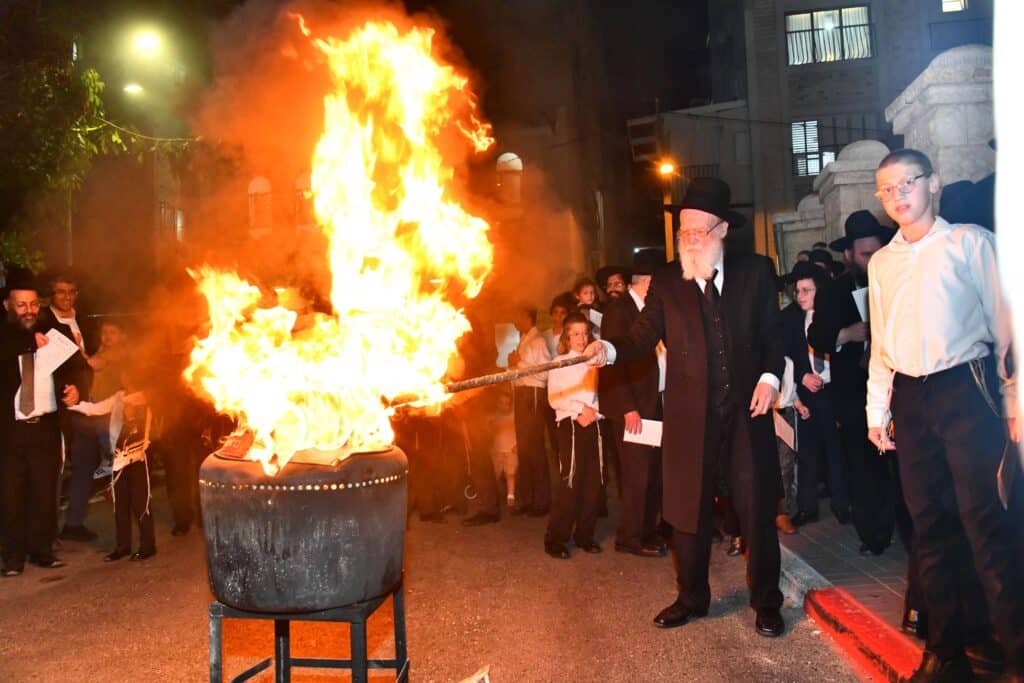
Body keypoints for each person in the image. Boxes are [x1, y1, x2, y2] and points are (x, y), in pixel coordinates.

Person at [586, 177, 786, 637]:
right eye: (683, 232)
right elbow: (640, 338)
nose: (690, 240)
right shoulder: (668, 282)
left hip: (747, 412)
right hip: (690, 417)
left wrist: (770, 378)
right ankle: (691, 597)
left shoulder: (756, 271)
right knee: (686, 510)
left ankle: (766, 601)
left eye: (698, 231)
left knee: (755, 508)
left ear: (722, 230)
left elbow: (774, 336)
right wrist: (609, 350)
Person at [867, 148, 1023, 681]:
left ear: (933, 183)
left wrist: (1014, 403)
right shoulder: (881, 263)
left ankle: (1013, 651)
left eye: (906, 183)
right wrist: (876, 410)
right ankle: (946, 649)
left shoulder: (970, 243)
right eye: (886, 190)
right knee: (929, 528)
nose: (897, 196)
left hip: (966, 388)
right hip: (910, 399)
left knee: (986, 523)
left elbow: (1007, 331)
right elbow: (881, 344)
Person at [806, 210, 897, 554]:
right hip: (855, 393)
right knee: (863, 464)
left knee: (901, 466)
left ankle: (906, 531)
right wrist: (847, 333)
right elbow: (817, 335)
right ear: (848, 254)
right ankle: (874, 535)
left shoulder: (897, 279)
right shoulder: (834, 292)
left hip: (898, 390)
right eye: (865, 255)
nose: (872, 260)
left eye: (877, 252)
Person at [0, 269, 87, 576]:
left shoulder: (53, 332)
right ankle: (12, 558)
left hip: (45, 428)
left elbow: (80, 368)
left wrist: (77, 389)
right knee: (10, 496)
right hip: (10, 431)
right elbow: (8, 346)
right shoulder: (8, 336)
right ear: (7, 305)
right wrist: (28, 342)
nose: (29, 311)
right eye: (22, 305)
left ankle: (42, 551)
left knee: (44, 493)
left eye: (34, 304)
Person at [600, 252, 665, 557]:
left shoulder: (644, 309)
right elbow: (612, 363)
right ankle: (629, 538)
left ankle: (647, 532)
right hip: (632, 408)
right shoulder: (619, 311)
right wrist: (628, 407)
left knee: (651, 472)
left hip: (651, 404)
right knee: (637, 474)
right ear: (648, 283)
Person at [782, 261, 850, 527]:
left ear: (820, 291)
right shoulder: (790, 319)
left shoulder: (833, 314)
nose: (800, 296)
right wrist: (802, 377)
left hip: (833, 391)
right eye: (797, 291)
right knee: (808, 452)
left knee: (836, 450)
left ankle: (841, 504)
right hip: (807, 394)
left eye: (807, 290)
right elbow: (786, 356)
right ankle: (807, 507)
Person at [61, 319, 128, 542]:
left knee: (117, 468)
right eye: (104, 332)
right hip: (88, 415)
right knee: (83, 470)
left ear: (122, 336)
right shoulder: (102, 350)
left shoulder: (117, 352)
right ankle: (73, 524)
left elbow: (93, 364)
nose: (107, 336)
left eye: (112, 332)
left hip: (106, 417)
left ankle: (125, 524)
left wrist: (74, 349)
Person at [545, 312, 604, 559]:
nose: (581, 338)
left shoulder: (594, 362)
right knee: (571, 482)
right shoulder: (559, 363)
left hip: (593, 423)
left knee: (592, 483)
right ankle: (556, 538)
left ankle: (584, 535)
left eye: (584, 333)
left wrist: (594, 412)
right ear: (567, 338)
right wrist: (579, 410)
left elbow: (600, 393)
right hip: (570, 424)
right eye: (576, 334)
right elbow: (554, 398)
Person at [509, 305, 552, 516]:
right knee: (524, 450)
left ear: (527, 317)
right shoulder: (524, 340)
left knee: (534, 449)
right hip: (521, 395)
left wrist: (520, 363)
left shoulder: (538, 341)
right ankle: (527, 500)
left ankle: (541, 502)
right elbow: (519, 371)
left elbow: (545, 374)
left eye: (518, 315)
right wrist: (513, 365)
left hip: (533, 395)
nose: (515, 320)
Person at [490, 391, 517, 510]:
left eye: (507, 403)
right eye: (501, 403)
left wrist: (517, 445)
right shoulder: (495, 416)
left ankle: (510, 496)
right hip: (497, 450)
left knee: (510, 474)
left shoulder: (513, 416)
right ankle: (495, 495)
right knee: (496, 473)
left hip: (511, 450)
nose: (504, 406)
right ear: (497, 404)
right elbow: (492, 431)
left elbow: (519, 432)